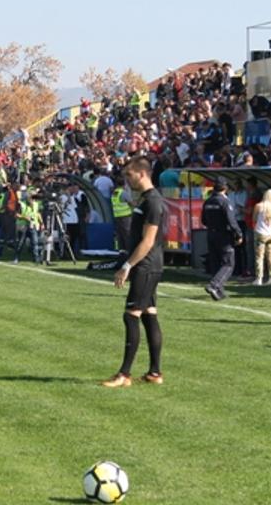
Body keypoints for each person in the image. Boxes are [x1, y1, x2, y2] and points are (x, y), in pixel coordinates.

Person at [102, 156, 165, 388]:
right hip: (149, 265)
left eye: (129, 175)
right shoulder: (146, 199)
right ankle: (154, 373)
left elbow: (148, 241)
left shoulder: (153, 202)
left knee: (131, 316)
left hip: (146, 266)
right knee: (149, 314)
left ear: (142, 173)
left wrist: (127, 266)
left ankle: (124, 374)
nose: (127, 180)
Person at [201, 177, 241, 301]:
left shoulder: (208, 201)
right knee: (228, 263)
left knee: (216, 263)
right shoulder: (225, 201)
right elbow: (231, 220)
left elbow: (203, 220)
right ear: (225, 187)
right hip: (224, 235)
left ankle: (219, 292)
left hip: (211, 234)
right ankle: (214, 285)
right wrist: (238, 234)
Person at [252, 189, 271, 286]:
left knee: (259, 257)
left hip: (260, 232)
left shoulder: (259, 206)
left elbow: (254, 219)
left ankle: (259, 278)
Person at [110, 179, 133, 252]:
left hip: (117, 216)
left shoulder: (114, 193)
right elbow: (131, 203)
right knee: (127, 233)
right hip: (125, 216)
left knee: (119, 233)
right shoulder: (123, 193)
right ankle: (129, 249)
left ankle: (121, 250)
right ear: (124, 185)